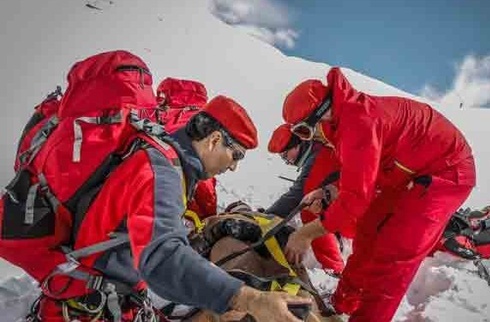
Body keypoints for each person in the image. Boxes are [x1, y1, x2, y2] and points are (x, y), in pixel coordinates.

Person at [37, 95, 308, 321]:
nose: (234, 165)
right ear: (214, 140)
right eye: (236, 154)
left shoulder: (163, 160)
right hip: (91, 307)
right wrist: (250, 299)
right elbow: (162, 259)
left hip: (97, 296)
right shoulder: (161, 173)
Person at [281, 67, 476, 322]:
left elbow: (355, 201)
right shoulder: (344, 120)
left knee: (395, 254)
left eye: (305, 132)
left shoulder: (358, 121)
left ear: (322, 114)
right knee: (368, 232)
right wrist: (328, 190)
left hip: (446, 171)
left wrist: (306, 233)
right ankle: (342, 303)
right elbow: (360, 170)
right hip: (406, 170)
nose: (309, 138)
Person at [266, 123, 344, 275]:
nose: (287, 161)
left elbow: (296, 196)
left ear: (297, 145)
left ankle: (334, 268)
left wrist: (266, 218)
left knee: (310, 211)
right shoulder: (318, 150)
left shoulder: (318, 157)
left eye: (285, 155)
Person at [156, 77, 217, 220]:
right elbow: (205, 181)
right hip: (180, 211)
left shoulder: (179, 123)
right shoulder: (200, 126)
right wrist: (208, 215)